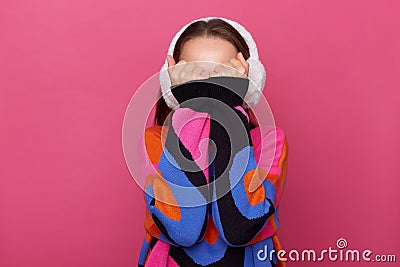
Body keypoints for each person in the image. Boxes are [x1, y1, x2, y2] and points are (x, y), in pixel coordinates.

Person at [138, 17, 289, 267]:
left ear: (247, 82)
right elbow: (183, 229)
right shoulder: (156, 142)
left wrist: (227, 109)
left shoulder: (270, 142)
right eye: (195, 75)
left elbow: (240, 227)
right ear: (173, 78)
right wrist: (190, 108)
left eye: (221, 74)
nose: (209, 86)